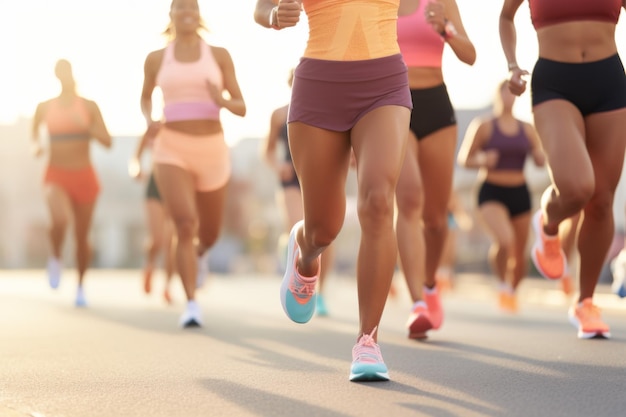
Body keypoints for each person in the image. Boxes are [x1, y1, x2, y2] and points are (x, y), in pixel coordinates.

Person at [254, 0, 416, 381]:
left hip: (384, 83)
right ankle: (305, 251)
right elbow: (261, 7)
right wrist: (274, 16)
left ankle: (368, 341)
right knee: (324, 229)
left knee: (378, 203)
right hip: (319, 87)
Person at [500, 0, 626, 338]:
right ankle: (550, 220)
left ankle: (585, 302)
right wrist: (512, 65)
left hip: (610, 84)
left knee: (601, 201)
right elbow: (505, 17)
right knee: (577, 187)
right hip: (555, 85)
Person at [141, 0, 246, 327]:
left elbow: (242, 106)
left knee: (210, 233)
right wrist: (150, 119)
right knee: (184, 223)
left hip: (212, 148)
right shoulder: (157, 58)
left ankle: (200, 256)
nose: (187, 10)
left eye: (193, 5)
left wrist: (222, 101)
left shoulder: (218, 55)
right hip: (171, 147)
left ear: (199, 14)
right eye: (180, 5)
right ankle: (190, 304)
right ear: (170, 14)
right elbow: (145, 97)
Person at [395, 0, 476, 338]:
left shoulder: (442, 2)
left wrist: (446, 28)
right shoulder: (377, 4)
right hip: (394, 104)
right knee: (409, 199)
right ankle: (417, 304)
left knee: (436, 218)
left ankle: (430, 285)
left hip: (436, 107)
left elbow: (469, 55)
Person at [457, 80, 545, 313]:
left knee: (520, 251)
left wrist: (539, 155)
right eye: (505, 93)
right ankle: (503, 284)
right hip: (491, 190)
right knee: (504, 240)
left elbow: (540, 159)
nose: (509, 98)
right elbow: (464, 159)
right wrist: (483, 160)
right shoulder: (484, 125)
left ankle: (513, 289)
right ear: (498, 96)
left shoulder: (527, 128)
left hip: (519, 192)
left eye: (513, 94)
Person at [31, 58, 112, 307]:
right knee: (59, 220)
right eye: (59, 72)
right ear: (55, 75)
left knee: (81, 235)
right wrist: (37, 147)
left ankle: (80, 287)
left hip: (84, 176)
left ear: (72, 74)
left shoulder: (88, 106)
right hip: (56, 174)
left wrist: (86, 127)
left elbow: (107, 141)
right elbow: (34, 136)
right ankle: (55, 256)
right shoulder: (44, 107)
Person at [261, 68, 336, 317]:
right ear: (291, 82)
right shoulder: (280, 114)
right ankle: (294, 264)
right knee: (297, 227)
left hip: (321, 174)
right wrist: (276, 165)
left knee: (325, 234)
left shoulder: (327, 109)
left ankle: (321, 292)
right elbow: (268, 150)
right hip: (291, 177)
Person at [129, 130, 177, 305]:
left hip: (177, 187)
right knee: (157, 240)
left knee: (171, 242)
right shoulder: (152, 130)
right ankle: (149, 264)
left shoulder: (183, 127)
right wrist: (136, 170)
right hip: (155, 186)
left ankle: (167, 287)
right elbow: (135, 158)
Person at [435, 189, 473, 292]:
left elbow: (456, 205)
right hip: (436, 220)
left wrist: (464, 219)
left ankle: (445, 274)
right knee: (440, 251)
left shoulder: (451, 191)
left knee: (449, 250)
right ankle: (440, 276)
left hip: (449, 219)